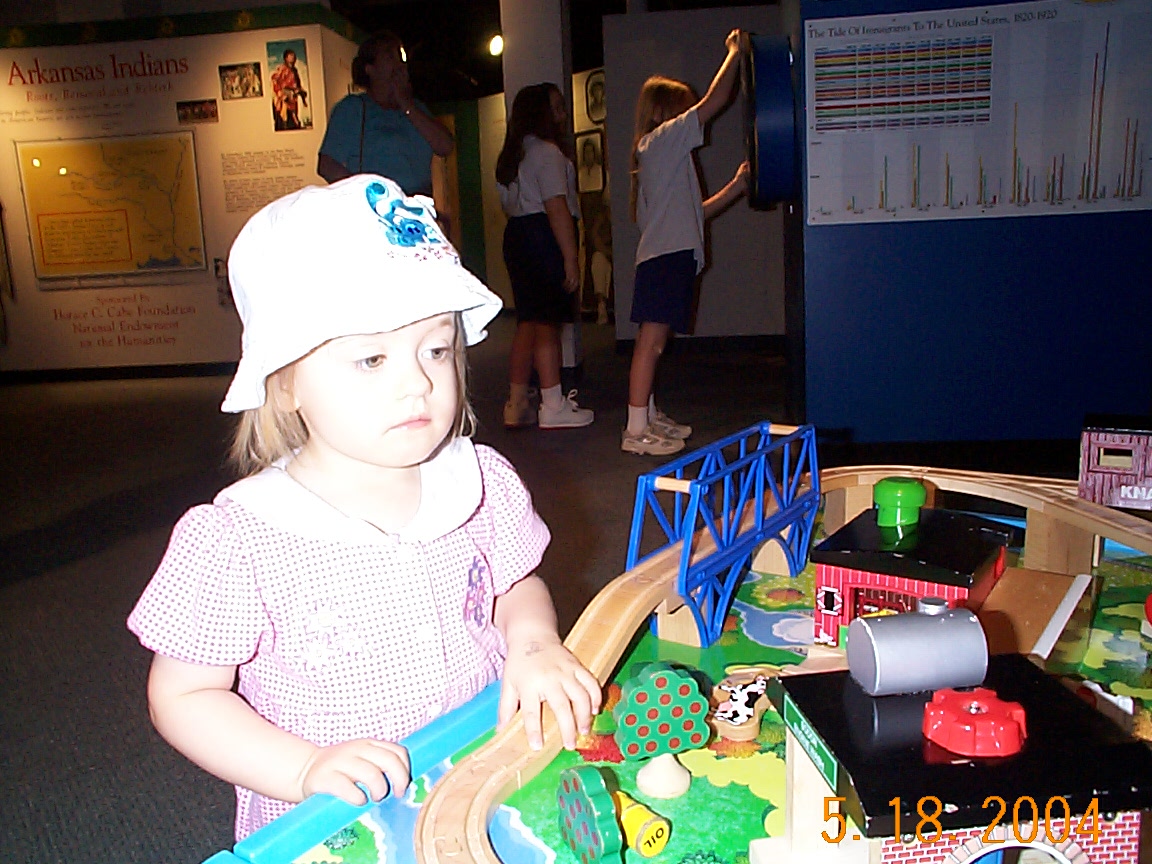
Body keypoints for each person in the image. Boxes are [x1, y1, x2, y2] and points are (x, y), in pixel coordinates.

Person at [127, 175, 601, 841]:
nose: (418, 382)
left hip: (477, 770)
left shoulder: (479, 481)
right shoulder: (241, 537)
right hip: (338, 818)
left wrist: (533, 640)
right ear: (285, 383)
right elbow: (184, 695)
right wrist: (302, 768)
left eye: (436, 348)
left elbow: (514, 584)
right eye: (371, 358)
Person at [623, 30, 750, 456]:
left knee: (656, 343)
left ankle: (646, 414)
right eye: (685, 108)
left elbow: (697, 212)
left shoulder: (662, 156)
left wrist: (736, 186)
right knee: (650, 342)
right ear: (668, 113)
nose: (692, 116)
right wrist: (733, 53)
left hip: (668, 256)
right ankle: (635, 429)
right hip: (664, 258)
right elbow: (717, 100)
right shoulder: (661, 142)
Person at [496, 83, 594, 430]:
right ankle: (552, 404)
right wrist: (570, 257)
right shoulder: (547, 152)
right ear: (541, 114)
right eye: (557, 108)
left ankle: (517, 402)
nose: (563, 115)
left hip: (518, 235)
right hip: (542, 235)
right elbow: (556, 207)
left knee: (528, 321)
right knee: (547, 322)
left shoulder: (513, 156)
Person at [317, 31, 454, 197]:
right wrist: (366, 195)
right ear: (370, 69)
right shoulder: (353, 108)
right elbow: (327, 165)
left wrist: (407, 105)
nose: (399, 64)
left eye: (400, 57)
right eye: (390, 56)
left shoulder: (416, 108)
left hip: (416, 203)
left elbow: (445, 146)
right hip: (377, 205)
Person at [271, 49, 307, 130]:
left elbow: (297, 84)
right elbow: (274, 79)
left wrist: (302, 94)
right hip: (283, 98)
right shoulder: (282, 69)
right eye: (290, 56)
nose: (292, 58)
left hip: (293, 98)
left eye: (293, 56)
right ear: (286, 58)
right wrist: (280, 92)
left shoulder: (295, 70)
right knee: (284, 119)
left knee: (293, 118)